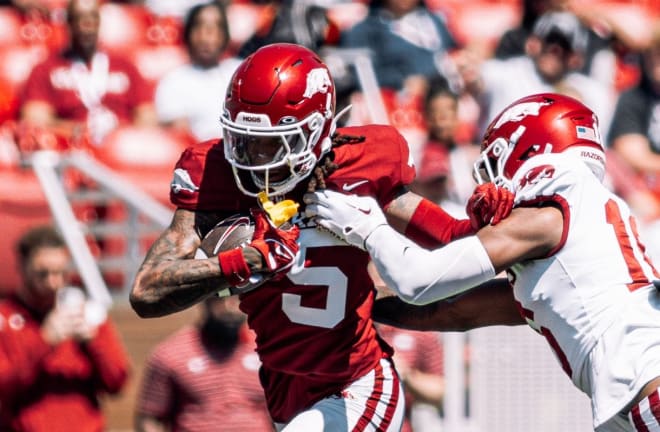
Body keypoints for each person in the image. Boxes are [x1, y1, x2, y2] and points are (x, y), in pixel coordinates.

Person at [129, 42, 512, 430]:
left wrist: (490, 220)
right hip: (284, 392)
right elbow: (146, 293)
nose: (255, 160)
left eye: (274, 143)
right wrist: (243, 262)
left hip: (358, 385)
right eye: (245, 141)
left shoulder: (363, 166)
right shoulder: (214, 175)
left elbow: (449, 238)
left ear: (318, 131)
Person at [305, 92, 660, 431]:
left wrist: (364, 224)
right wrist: (345, 300)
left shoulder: (549, 216)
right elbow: (447, 307)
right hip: (637, 400)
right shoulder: (572, 258)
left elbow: (419, 282)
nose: (490, 184)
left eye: (495, 165)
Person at [0, 225, 130, 432]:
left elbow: (117, 382)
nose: (53, 283)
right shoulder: (5, 319)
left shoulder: (84, 312)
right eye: (42, 274)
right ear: (22, 266)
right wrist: (44, 341)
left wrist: (92, 341)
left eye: (60, 273)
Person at [456, 10, 614, 138]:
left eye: (564, 46)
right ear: (533, 44)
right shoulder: (506, 73)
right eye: (549, 42)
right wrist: (471, 76)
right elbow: (478, 80)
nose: (555, 50)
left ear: (576, 58)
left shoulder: (592, 92)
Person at [20, 0, 157, 146]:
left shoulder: (125, 67)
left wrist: (119, 135)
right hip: (71, 149)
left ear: (99, 21)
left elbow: (147, 119)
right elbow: (35, 120)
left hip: (119, 148)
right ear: (68, 23)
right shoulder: (46, 68)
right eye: (79, 17)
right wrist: (77, 131)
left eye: (92, 17)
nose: (86, 24)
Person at [135, 295, 273, 431]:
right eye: (220, 299)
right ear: (203, 300)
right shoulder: (170, 354)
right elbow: (150, 418)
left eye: (236, 298)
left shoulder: (268, 350)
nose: (229, 308)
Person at [154, 1, 242, 142]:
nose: (207, 36)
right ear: (188, 33)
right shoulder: (173, 81)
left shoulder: (241, 72)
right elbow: (178, 137)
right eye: (199, 27)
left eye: (215, 28)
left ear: (225, 34)